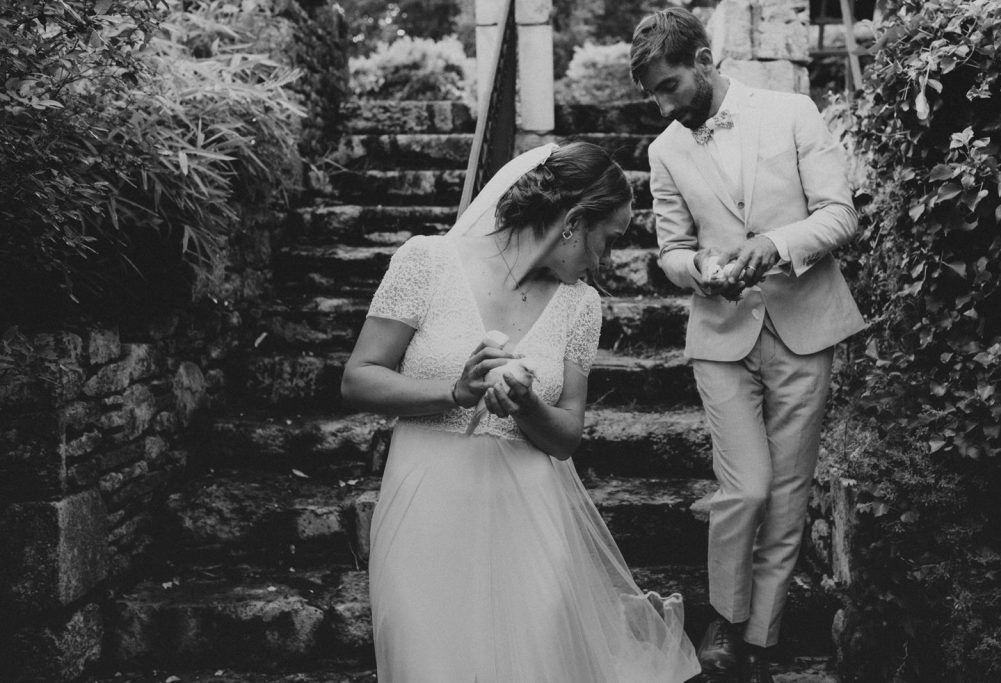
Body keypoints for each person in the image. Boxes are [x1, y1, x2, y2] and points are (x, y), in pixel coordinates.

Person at [341, 141, 701, 683]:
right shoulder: (428, 261)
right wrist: (455, 392)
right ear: (576, 223)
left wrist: (530, 404)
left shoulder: (582, 304)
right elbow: (358, 378)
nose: (604, 260)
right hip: (427, 505)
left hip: (532, 517)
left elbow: (566, 437)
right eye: (610, 240)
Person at [630, 8, 866, 683]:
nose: (662, 104)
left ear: (704, 60)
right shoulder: (664, 150)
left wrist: (774, 245)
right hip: (720, 334)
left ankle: (759, 638)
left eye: (669, 85)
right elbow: (670, 250)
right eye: (652, 94)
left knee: (789, 493)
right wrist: (698, 271)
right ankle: (726, 621)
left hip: (804, 325)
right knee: (748, 486)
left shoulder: (793, 112)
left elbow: (839, 215)